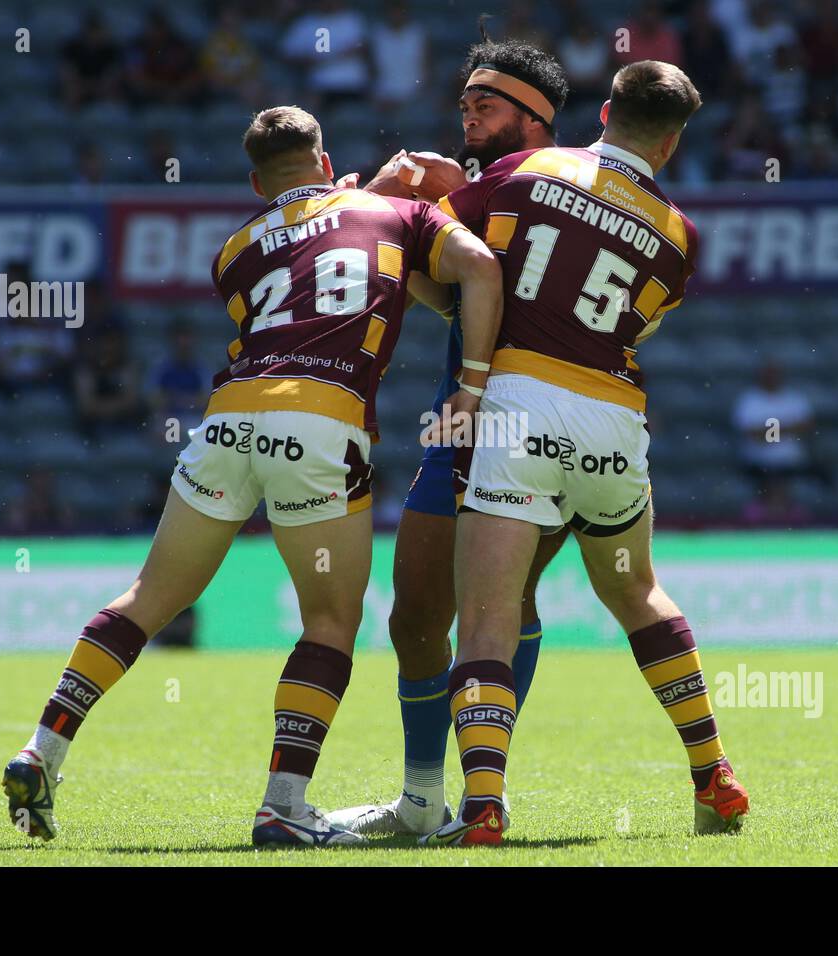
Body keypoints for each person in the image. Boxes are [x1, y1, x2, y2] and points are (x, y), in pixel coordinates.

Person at [0, 105, 504, 849]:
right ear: (326, 162)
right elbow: (478, 271)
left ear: (255, 180)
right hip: (320, 420)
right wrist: (472, 383)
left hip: (228, 420)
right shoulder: (390, 211)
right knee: (331, 622)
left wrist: (364, 196)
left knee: (147, 599)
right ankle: (283, 806)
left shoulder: (234, 249)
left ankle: (42, 748)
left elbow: (309, 253)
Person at [422, 60, 750, 846]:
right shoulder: (679, 235)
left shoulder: (526, 169)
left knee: (488, 621)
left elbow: (445, 254)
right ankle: (713, 772)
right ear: (669, 145)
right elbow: (625, 325)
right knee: (639, 596)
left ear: (605, 111)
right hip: (613, 421)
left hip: (517, 409)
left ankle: (484, 807)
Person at [325, 37, 574, 838]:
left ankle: (479, 796)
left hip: (537, 423)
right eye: (464, 102)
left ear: (534, 119)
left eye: (485, 104)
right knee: (414, 617)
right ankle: (423, 799)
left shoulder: (562, 195)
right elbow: (452, 295)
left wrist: (424, 204)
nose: (466, 115)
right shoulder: (479, 191)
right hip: (458, 416)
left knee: (501, 603)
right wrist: (398, 208)